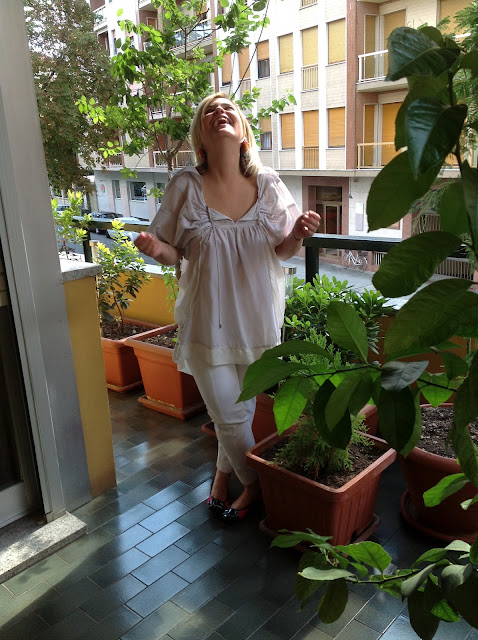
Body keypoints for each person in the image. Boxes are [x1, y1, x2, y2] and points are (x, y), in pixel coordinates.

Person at [134, 92, 320, 524]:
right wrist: (154, 248)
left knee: (240, 412)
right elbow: (172, 251)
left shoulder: (268, 183)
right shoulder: (185, 184)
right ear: (200, 137)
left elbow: (282, 250)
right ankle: (256, 485)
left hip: (257, 318)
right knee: (229, 413)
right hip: (207, 321)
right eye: (209, 111)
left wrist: (299, 232)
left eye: (227, 109)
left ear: (244, 134)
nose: (219, 112)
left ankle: (221, 478)